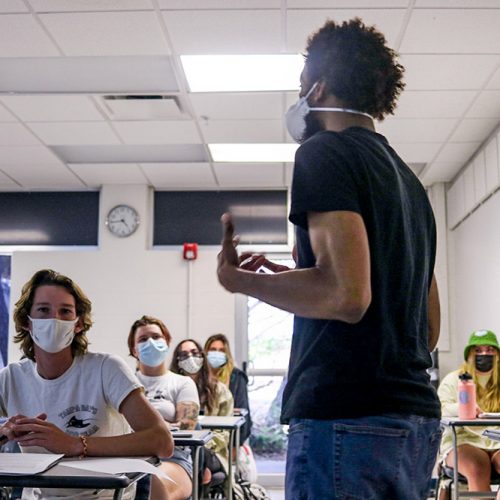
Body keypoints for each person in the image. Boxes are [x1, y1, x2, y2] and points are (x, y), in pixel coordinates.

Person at [216, 17, 441, 500]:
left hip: (346, 420)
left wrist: (239, 282)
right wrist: (295, 279)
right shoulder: (410, 184)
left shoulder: (323, 153)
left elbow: (345, 295)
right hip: (414, 424)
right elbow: (425, 326)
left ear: (318, 87)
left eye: (301, 87)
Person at [0, 269, 172, 500]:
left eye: (65, 311)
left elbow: (161, 440)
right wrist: (3, 433)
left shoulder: (105, 369)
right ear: (26, 322)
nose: (55, 319)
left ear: (78, 323)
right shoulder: (11, 378)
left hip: (102, 495)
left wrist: (74, 445)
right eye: (43, 310)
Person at [128, 315, 200, 500]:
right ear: (134, 350)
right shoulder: (124, 382)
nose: (150, 342)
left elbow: (186, 427)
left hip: (173, 458)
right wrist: (161, 426)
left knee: (151, 482)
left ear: (167, 342)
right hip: (129, 456)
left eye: (156, 337)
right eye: (143, 339)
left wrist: (144, 429)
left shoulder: (182, 383)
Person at [438, 330, 500, 497]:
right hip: (463, 440)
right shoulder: (454, 380)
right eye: (478, 350)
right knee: (477, 466)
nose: (484, 354)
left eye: (490, 350)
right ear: (470, 354)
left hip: (497, 441)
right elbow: (440, 408)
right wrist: (463, 408)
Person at [170, 339, 234, 484]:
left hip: (212, 451)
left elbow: (223, 435)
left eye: (194, 353)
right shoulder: (171, 387)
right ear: (178, 361)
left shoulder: (219, 391)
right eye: (184, 354)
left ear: (202, 357)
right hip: (176, 446)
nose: (190, 358)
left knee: (196, 433)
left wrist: (202, 444)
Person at [204, 333, 252, 445]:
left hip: (228, 438)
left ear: (227, 354)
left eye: (221, 350)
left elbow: (243, 416)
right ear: (206, 352)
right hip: (203, 435)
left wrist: (236, 446)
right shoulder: (200, 378)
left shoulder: (237, 377)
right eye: (213, 349)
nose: (217, 353)